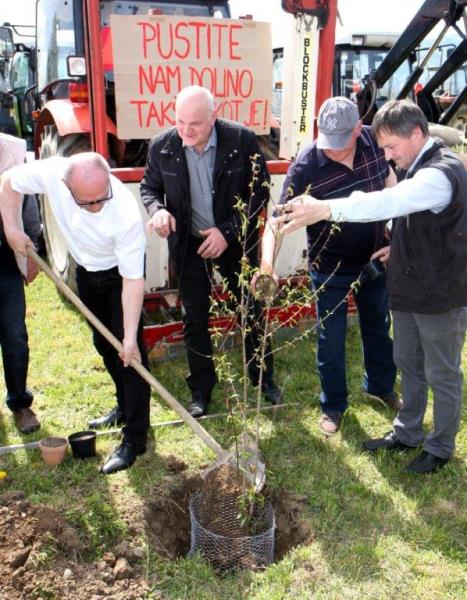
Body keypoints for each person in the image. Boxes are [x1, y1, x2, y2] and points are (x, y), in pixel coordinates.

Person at [274, 99, 467, 473]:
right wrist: (399, 243)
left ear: (416, 133)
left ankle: (440, 447)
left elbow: (391, 200)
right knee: (408, 362)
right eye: (383, 148)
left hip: (440, 293)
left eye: (391, 147)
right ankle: (407, 432)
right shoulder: (415, 165)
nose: (387, 156)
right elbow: (413, 216)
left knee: (442, 372)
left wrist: (326, 209)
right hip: (410, 287)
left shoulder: (440, 173)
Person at [256, 96, 399, 436]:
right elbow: (276, 222)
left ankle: (380, 387)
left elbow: (391, 183)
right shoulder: (306, 165)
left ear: (358, 129)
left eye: (341, 141)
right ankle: (333, 405)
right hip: (330, 267)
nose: (333, 149)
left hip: (374, 258)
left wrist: (395, 234)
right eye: (328, 140)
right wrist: (266, 264)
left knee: (379, 327)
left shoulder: (374, 142)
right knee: (330, 340)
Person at [0, 152, 150, 474]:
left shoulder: (125, 212)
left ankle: (136, 438)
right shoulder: (52, 173)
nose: (96, 207)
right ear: (66, 187)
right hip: (85, 270)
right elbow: (8, 182)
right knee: (103, 345)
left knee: (130, 356)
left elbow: (133, 281)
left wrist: (129, 336)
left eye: (101, 198)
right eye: (87, 202)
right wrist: (11, 228)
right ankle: (123, 407)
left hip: (119, 276)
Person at [140, 85, 282, 417]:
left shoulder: (241, 140)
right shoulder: (162, 146)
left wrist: (227, 232)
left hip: (235, 241)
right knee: (195, 317)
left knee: (250, 308)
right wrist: (157, 210)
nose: (186, 131)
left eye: (195, 124)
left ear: (214, 116)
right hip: (189, 242)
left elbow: (259, 192)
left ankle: (263, 379)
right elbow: (149, 187)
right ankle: (201, 390)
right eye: (180, 122)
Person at [0, 133, 41, 434]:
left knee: (15, 335)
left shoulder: (12, 150)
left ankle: (20, 403)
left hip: (5, 264)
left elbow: (28, 205)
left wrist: (32, 250)